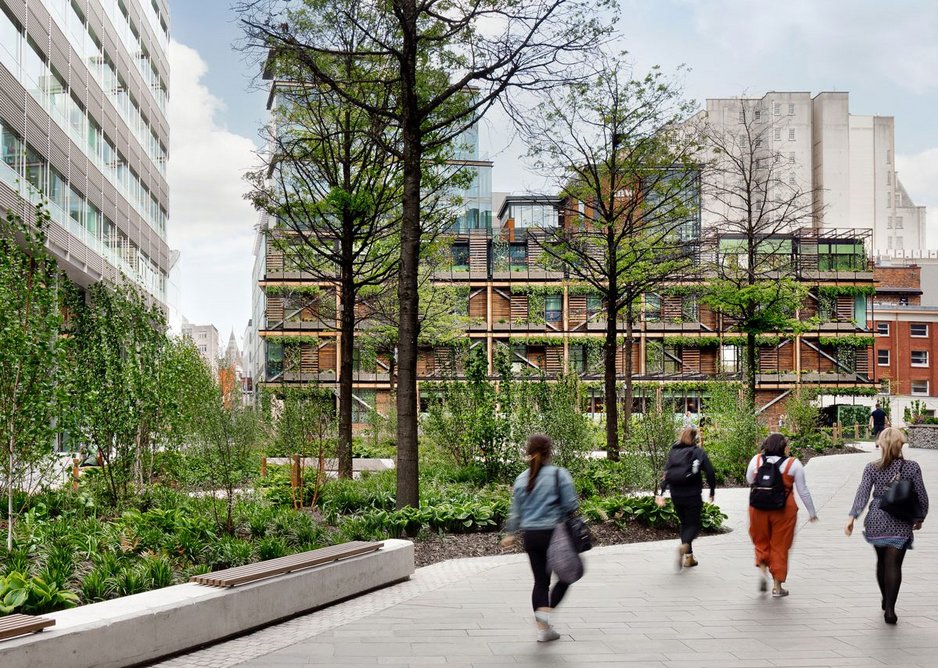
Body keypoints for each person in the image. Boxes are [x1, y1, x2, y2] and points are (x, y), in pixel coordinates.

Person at [844, 427, 928, 625]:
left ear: (880, 444)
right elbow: (922, 495)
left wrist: (852, 517)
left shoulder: (872, 467)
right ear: (901, 444)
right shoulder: (912, 467)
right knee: (895, 565)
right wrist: (920, 517)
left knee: (882, 562)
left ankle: (885, 598)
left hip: (876, 519)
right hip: (901, 520)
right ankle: (890, 609)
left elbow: (862, 493)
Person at [500, 434, 578, 642]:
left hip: (531, 536)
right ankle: (546, 611)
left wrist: (510, 534)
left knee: (540, 582)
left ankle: (544, 630)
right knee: (570, 574)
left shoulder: (521, 478)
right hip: (555, 534)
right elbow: (571, 505)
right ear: (548, 452)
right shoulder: (558, 475)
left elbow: (516, 511)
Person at [746, 433, 818, 597]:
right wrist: (812, 512)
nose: (789, 447)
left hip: (758, 507)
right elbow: (803, 491)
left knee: (761, 540)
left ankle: (763, 570)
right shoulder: (793, 464)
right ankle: (777, 587)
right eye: (787, 444)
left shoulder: (756, 460)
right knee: (780, 545)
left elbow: (750, 479)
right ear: (782, 446)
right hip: (783, 509)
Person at [656, 427, 716, 569]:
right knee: (694, 524)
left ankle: (689, 558)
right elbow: (710, 472)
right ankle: (684, 546)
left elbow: (666, 474)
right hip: (692, 494)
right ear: (695, 439)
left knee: (684, 523)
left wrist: (661, 492)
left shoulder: (674, 452)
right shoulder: (698, 452)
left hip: (676, 494)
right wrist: (712, 491)